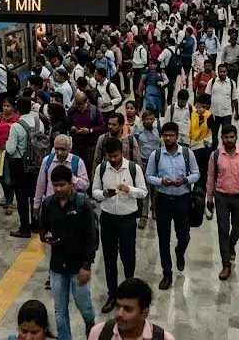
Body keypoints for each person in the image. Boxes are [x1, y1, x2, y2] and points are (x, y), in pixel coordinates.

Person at [39, 165, 98, 340]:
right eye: (55, 185)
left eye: (62, 185)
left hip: (78, 266)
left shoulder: (82, 203)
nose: (58, 189)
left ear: (71, 183)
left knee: (84, 306)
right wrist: (46, 236)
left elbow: (91, 236)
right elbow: (42, 229)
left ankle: (91, 329)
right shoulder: (48, 203)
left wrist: (86, 266)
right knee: (59, 310)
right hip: (57, 266)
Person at [92, 137, 148, 313]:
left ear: (121, 152)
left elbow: (144, 192)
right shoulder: (102, 169)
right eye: (109, 156)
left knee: (128, 257)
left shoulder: (133, 168)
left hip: (127, 219)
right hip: (108, 218)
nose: (113, 159)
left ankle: (129, 293)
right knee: (109, 258)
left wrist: (129, 189)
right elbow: (94, 192)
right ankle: (112, 295)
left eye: (115, 155)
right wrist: (104, 194)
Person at [144, 122, 198, 290]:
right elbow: (149, 176)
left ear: (177, 136)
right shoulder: (156, 155)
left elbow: (196, 173)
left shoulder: (187, 153)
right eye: (165, 135)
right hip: (163, 200)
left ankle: (180, 251)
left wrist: (185, 180)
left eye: (171, 135)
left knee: (184, 236)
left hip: (183, 199)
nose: (168, 138)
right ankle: (167, 273)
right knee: (163, 238)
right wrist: (161, 181)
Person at [205, 125, 239, 281]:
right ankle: (226, 265)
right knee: (223, 230)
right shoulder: (215, 155)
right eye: (226, 137)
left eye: (231, 137)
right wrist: (209, 199)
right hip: (222, 198)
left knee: (237, 229)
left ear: (236, 137)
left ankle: (231, 245)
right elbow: (210, 178)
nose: (229, 140)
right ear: (222, 138)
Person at [5, 97, 45, 237]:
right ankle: (36, 225)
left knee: (22, 197)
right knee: (35, 195)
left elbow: (10, 150)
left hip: (20, 165)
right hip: (37, 164)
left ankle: (24, 229)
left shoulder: (16, 126)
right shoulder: (39, 123)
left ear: (17, 109)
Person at [87, 278, 175, 340]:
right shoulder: (98, 333)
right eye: (118, 306)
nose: (119, 313)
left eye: (127, 309)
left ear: (144, 313)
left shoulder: (164, 338)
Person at [130, 109, 161, 230]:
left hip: (156, 162)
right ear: (142, 120)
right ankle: (143, 215)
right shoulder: (138, 130)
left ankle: (155, 209)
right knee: (145, 188)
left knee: (155, 188)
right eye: (147, 119)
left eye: (151, 119)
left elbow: (161, 144)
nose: (149, 121)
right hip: (142, 162)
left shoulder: (157, 128)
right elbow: (133, 146)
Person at [0, 98, 21, 214]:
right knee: (1, 177)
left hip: (12, 154)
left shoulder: (17, 119)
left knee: (10, 179)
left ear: (13, 108)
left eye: (8, 106)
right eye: (4, 106)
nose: (6, 108)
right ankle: (7, 197)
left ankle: (10, 201)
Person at [68, 91, 107, 181]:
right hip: (76, 146)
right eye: (77, 104)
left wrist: (89, 131)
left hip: (90, 147)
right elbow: (67, 125)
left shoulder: (94, 111)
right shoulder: (72, 111)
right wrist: (71, 128)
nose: (78, 107)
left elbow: (102, 127)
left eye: (81, 104)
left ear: (86, 101)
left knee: (88, 171)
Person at [206, 64, 239, 149]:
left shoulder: (231, 83)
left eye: (224, 71)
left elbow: (235, 99)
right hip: (214, 114)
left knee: (226, 136)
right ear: (218, 72)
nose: (222, 73)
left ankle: (225, 152)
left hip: (226, 114)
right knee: (214, 136)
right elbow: (207, 97)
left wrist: (236, 113)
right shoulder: (212, 82)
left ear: (227, 72)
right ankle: (214, 153)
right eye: (220, 71)